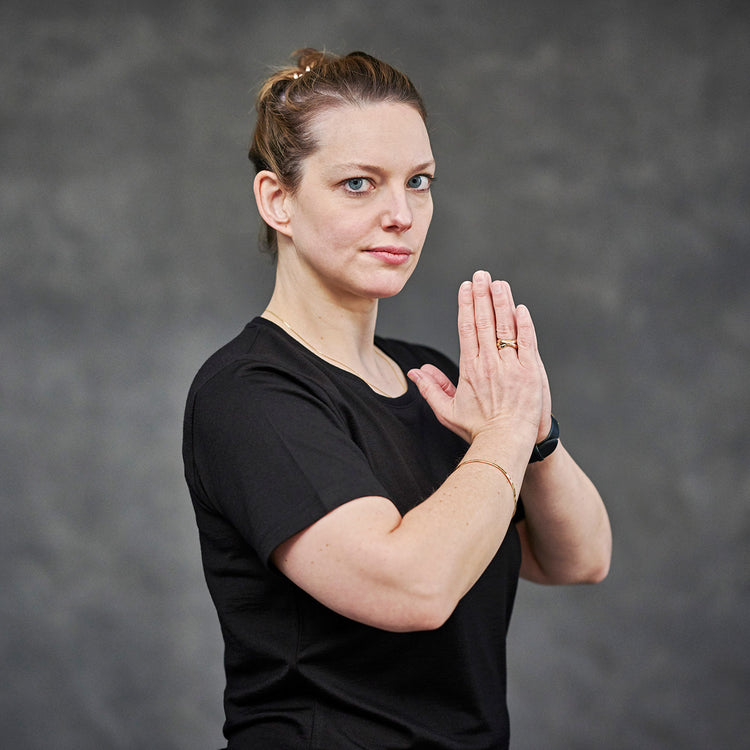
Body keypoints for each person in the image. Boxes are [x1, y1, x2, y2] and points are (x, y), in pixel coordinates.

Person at [182, 48, 611, 750]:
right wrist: (503, 429)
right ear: (277, 200)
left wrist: (534, 433)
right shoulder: (250, 393)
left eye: (419, 182)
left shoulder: (431, 378)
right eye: (359, 184)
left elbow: (578, 558)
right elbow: (412, 589)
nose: (401, 215)